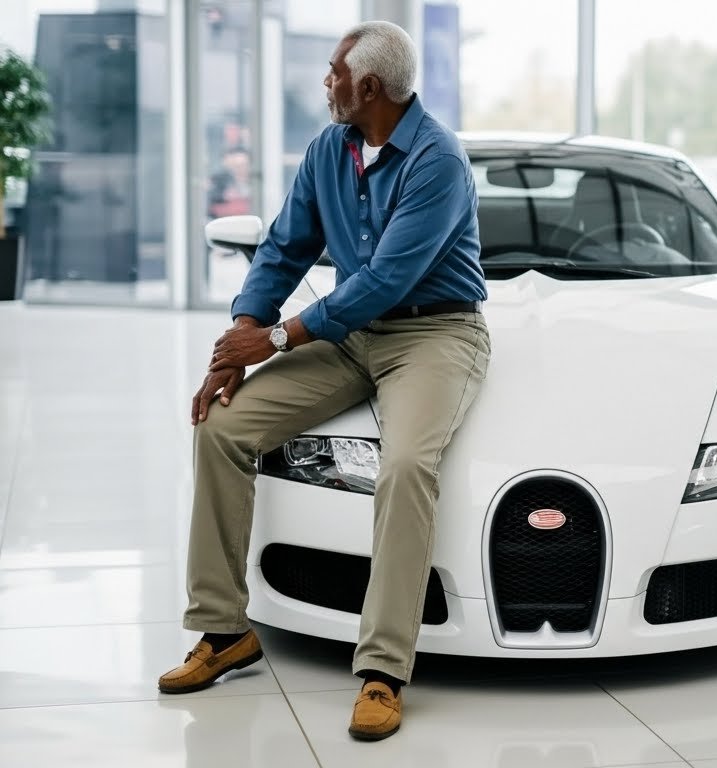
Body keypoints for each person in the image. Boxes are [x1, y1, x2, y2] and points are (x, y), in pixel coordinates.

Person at [156, 20, 490, 743]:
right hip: (347, 336)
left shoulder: (438, 160)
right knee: (222, 427)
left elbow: (386, 279)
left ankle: (383, 669)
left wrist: (275, 339)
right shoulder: (326, 150)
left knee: (406, 465)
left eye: (335, 72)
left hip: (434, 333)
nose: (326, 82)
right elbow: (284, 248)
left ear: (368, 87)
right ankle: (224, 630)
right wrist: (236, 346)